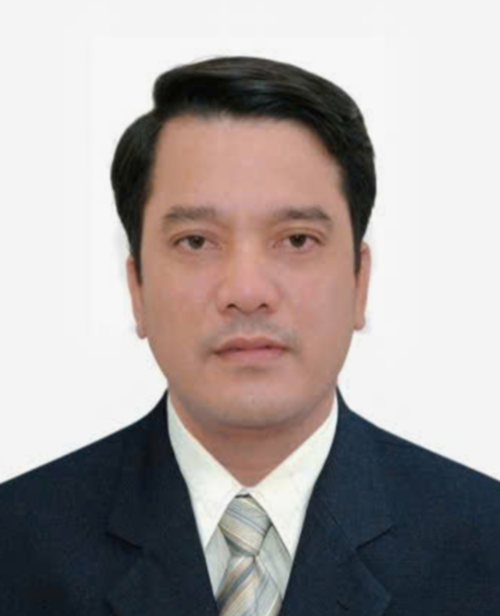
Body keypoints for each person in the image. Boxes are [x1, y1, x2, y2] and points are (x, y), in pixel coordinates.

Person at [0, 54, 499, 615]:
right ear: (136, 287)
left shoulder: (485, 543)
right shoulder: (16, 544)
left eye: (297, 240)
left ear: (360, 282)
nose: (247, 290)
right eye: (195, 241)